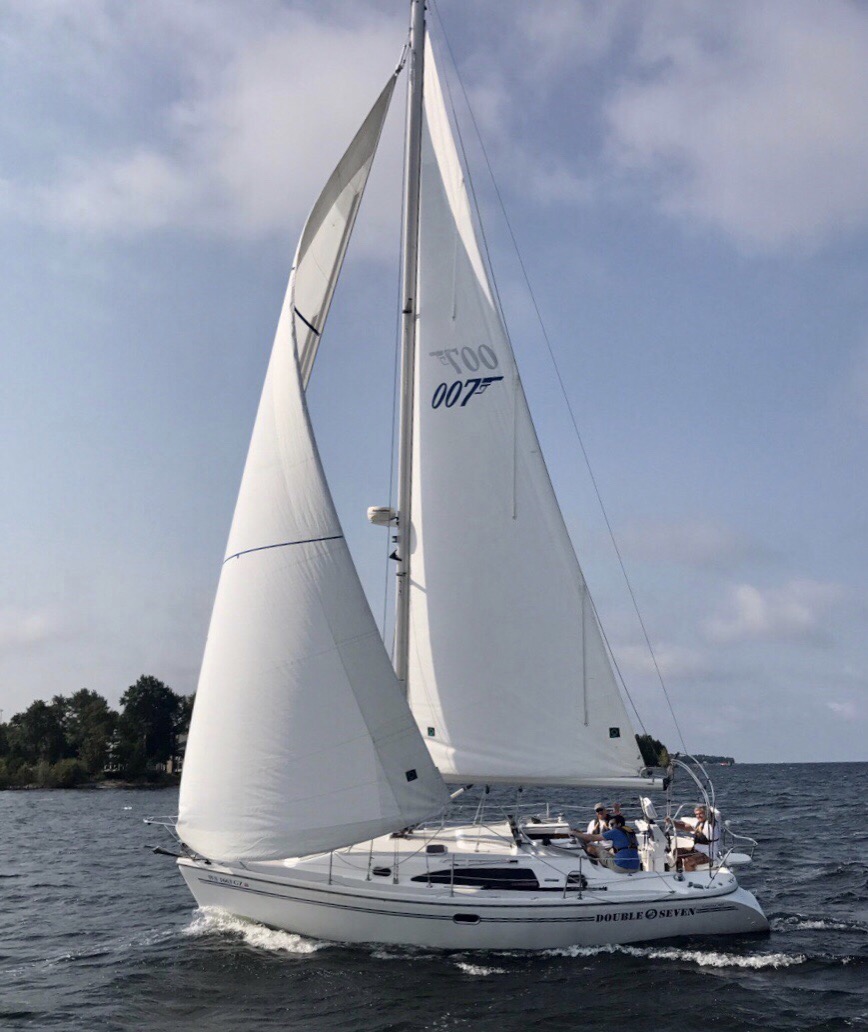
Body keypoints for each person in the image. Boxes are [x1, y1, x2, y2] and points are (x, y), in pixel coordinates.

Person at [667, 805, 720, 872]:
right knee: (677, 851)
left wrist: (710, 809)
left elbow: (716, 816)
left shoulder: (710, 825)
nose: (698, 816)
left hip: (708, 854)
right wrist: (672, 822)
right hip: (696, 850)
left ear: (706, 814)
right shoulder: (699, 823)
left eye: (701, 813)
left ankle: (690, 876)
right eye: (696, 814)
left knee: (688, 861)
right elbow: (684, 826)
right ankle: (679, 871)